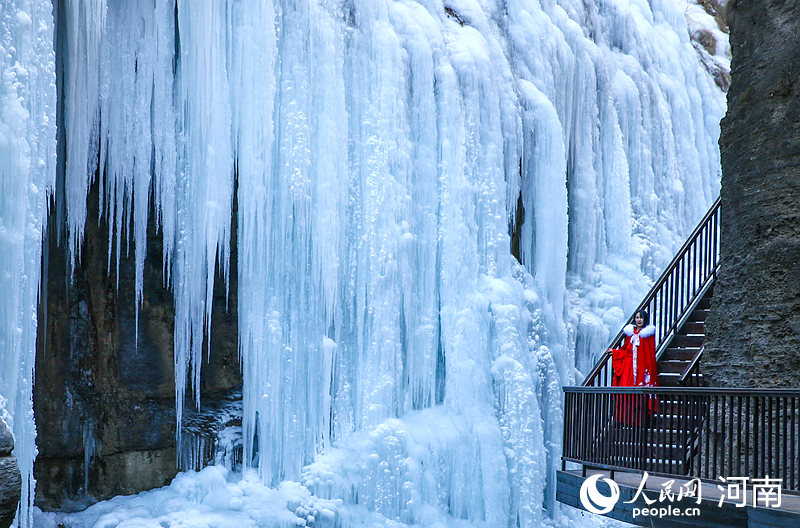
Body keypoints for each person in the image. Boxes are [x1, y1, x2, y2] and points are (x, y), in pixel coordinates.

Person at [608, 310, 658, 423]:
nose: (639, 320)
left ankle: (639, 421)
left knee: (640, 394)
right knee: (627, 392)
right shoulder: (630, 334)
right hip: (629, 367)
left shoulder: (648, 334)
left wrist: (646, 369)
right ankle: (625, 419)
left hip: (642, 367)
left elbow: (649, 354)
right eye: (637, 317)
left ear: (645, 319)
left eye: (641, 318)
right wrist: (615, 352)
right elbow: (625, 350)